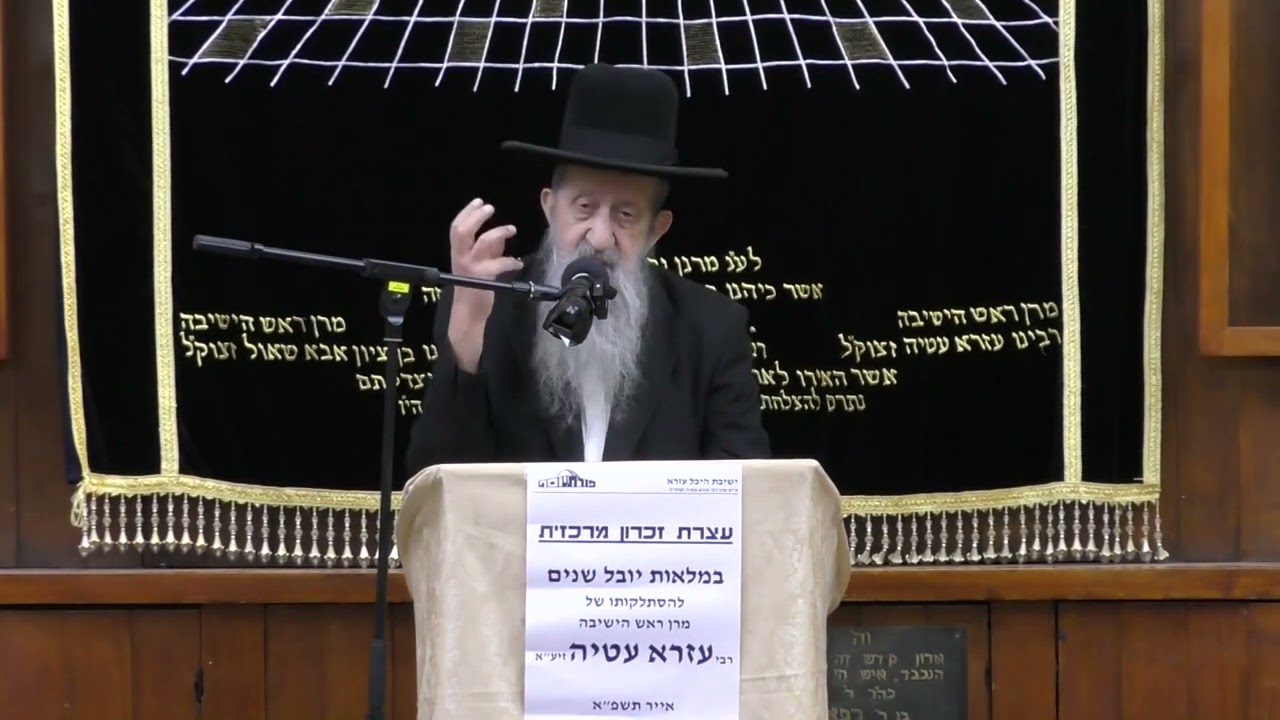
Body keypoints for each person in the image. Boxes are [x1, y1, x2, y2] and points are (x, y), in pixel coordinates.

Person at [404, 63, 770, 475]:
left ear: (656, 230)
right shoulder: (488, 307)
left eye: (626, 215)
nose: (599, 237)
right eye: (584, 207)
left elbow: (745, 488)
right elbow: (434, 486)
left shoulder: (712, 328)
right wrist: (465, 347)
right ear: (548, 207)